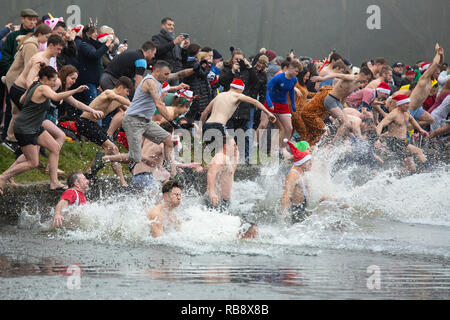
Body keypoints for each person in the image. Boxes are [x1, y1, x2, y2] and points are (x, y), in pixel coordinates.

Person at [0, 65, 87, 194]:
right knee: (32, 162)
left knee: (54, 147)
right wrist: (75, 90)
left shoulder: (35, 85)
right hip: (25, 128)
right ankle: (3, 177)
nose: (54, 84)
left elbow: (22, 100)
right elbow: (56, 98)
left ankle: (54, 182)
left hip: (34, 126)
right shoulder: (43, 88)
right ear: (45, 78)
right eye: (53, 80)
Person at [98, 60, 191, 177]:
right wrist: (172, 121)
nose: (168, 77)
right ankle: (106, 158)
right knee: (134, 157)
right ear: (157, 71)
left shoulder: (159, 79)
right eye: (166, 74)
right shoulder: (150, 83)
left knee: (168, 140)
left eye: (168, 74)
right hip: (133, 120)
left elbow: (177, 75)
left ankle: (171, 168)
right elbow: (158, 103)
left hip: (146, 121)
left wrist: (189, 74)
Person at [4, 34, 66, 151]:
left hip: (22, 89)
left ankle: (22, 145)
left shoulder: (46, 59)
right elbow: (29, 80)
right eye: (58, 49)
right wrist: (38, 94)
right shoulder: (40, 59)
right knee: (29, 117)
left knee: (22, 116)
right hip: (20, 89)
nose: (59, 52)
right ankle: (20, 146)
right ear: (51, 45)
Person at [74, 77, 133, 186]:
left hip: (92, 124)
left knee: (114, 150)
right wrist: (134, 104)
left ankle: (122, 183)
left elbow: (131, 111)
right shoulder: (109, 92)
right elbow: (118, 98)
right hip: (84, 122)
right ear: (120, 87)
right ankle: (90, 173)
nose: (126, 95)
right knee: (110, 147)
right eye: (127, 91)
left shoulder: (119, 101)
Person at [200, 78, 276, 146]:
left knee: (213, 154)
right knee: (232, 149)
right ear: (240, 89)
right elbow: (255, 102)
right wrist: (268, 113)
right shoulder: (237, 95)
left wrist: (200, 128)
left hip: (207, 126)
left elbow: (205, 113)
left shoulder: (219, 95)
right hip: (219, 126)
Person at [307, 67, 373, 144]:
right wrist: (322, 78)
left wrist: (342, 109)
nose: (366, 81)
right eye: (367, 78)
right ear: (362, 74)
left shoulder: (357, 85)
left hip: (338, 102)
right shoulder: (351, 77)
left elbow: (345, 96)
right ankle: (333, 144)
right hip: (331, 100)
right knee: (346, 123)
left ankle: (336, 140)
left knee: (348, 124)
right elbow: (335, 74)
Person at [376, 94, 431, 173]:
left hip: (403, 142)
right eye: (406, 104)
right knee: (418, 151)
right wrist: (377, 139)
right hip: (395, 141)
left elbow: (412, 120)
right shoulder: (394, 114)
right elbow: (380, 125)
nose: (409, 106)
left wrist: (420, 129)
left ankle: (388, 174)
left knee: (411, 168)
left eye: (409, 103)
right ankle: (432, 171)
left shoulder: (406, 112)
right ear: (400, 104)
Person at [265, 60, 303, 153]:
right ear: (290, 68)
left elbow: (291, 91)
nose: (297, 74)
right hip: (271, 102)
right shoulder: (278, 77)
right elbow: (266, 88)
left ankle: (282, 149)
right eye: (296, 71)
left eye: (298, 72)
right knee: (265, 124)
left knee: (289, 128)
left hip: (282, 104)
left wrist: (293, 104)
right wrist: (269, 103)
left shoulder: (294, 79)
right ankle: (257, 144)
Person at [76, 23, 114, 104]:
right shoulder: (84, 45)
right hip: (89, 81)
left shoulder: (94, 45)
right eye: (94, 32)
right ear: (87, 34)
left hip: (96, 82)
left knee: (98, 106)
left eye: (97, 32)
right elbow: (95, 55)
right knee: (93, 105)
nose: (96, 34)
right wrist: (106, 45)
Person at [408, 44, 444, 125]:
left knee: (431, 119)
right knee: (396, 134)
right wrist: (437, 53)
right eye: (436, 71)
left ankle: (412, 126)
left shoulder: (431, 81)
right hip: (410, 108)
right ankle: (381, 136)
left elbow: (439, 64)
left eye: (439, 71)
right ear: (430, 71)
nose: (438, 72)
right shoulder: (424, 78)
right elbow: (435, 64)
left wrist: (441, 55)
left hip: (417, 109)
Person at [281, 139, 312, 224]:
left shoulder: (303, 172)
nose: (311, 163)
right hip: (296, 210)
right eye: (307, 149)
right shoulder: (293, 174)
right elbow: (286, 195)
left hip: (304, 208)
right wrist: (284, 217)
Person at [205, 136, 239, 210]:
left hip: (222, 201)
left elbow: (230, 173)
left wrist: (236, 156)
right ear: (226, 146)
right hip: (216, 201)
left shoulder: (225, 158)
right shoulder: (220, 157)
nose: (236, 148)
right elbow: (211, 173)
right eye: (234, 145)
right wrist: (212, 192)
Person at [151, 17, 190, 82]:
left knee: (174, 91)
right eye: (169, 25)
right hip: (163, 73)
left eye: (173, 25)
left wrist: (184, 49)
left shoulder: (175, 40)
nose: (172, 27)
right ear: (163, 26)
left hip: (176, 73)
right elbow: (157, 51)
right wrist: (173, 43)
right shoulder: (156, 38)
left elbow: (181, 59)